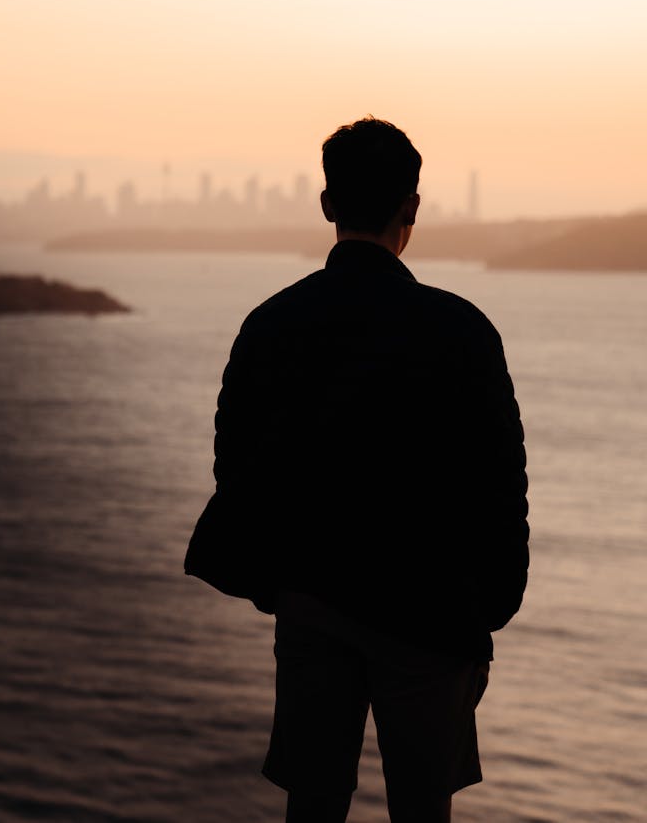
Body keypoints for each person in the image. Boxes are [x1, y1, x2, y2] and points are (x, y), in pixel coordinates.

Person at [186, 117, 529, 823]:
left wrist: (279, 587)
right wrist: (490, 605)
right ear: (412, 208)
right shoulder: (462, 330)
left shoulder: (271, 323)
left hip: (313, 602)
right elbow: (501, 486)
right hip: (434, 612)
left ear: (327, 204)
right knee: (422, 809)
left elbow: (234, 465)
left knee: (312, 805)